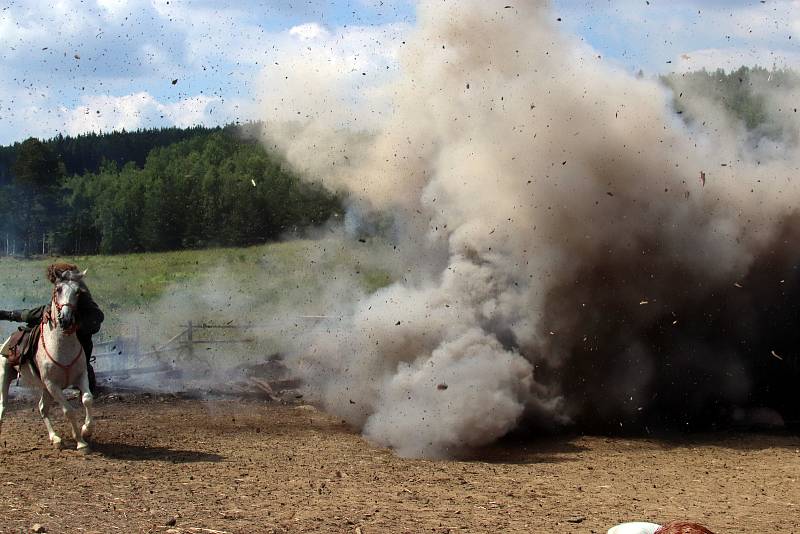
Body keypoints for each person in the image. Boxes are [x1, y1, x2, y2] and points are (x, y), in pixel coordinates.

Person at [0, 262, 104, 394]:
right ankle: (6, 314)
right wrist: (48, 310)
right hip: (63, 320)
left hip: (81, 331)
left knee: (83, 363)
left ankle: (87, 382)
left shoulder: (80, 290)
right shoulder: (61, 285)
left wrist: (78, 326)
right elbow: (56, 300)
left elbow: (97, 316)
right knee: (32, 314)